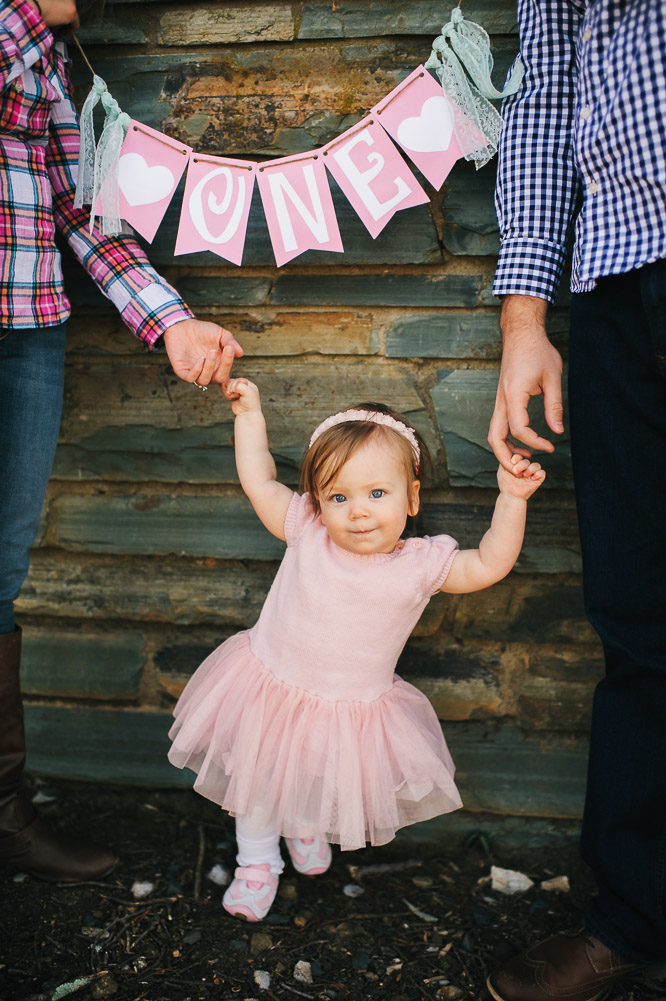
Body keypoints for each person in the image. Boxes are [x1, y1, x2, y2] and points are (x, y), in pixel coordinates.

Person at [0, 0, 243, 883]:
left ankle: (2, 811)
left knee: (0, 574)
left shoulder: (53, 62)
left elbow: (82, 209)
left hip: (26, 325)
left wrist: (169, 322)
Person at [168, 377, 545, 922]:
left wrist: (512, 499)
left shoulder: (420, 565)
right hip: (270, 687)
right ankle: (256, 863)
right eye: (339, 496)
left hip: (348, 707)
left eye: (377, 493)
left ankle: (303, 826)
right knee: (258, 779)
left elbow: (488, 564)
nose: (359, 511)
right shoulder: (308, 531)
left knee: (314, 775)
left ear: (412, 497)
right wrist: (248, 415)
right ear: (319, 501)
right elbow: (259, 481)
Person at [485, 2, 666, 1000]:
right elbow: (547, 89)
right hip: (614, 273)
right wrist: (525, 313)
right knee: (637, 615)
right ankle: (636, 913)